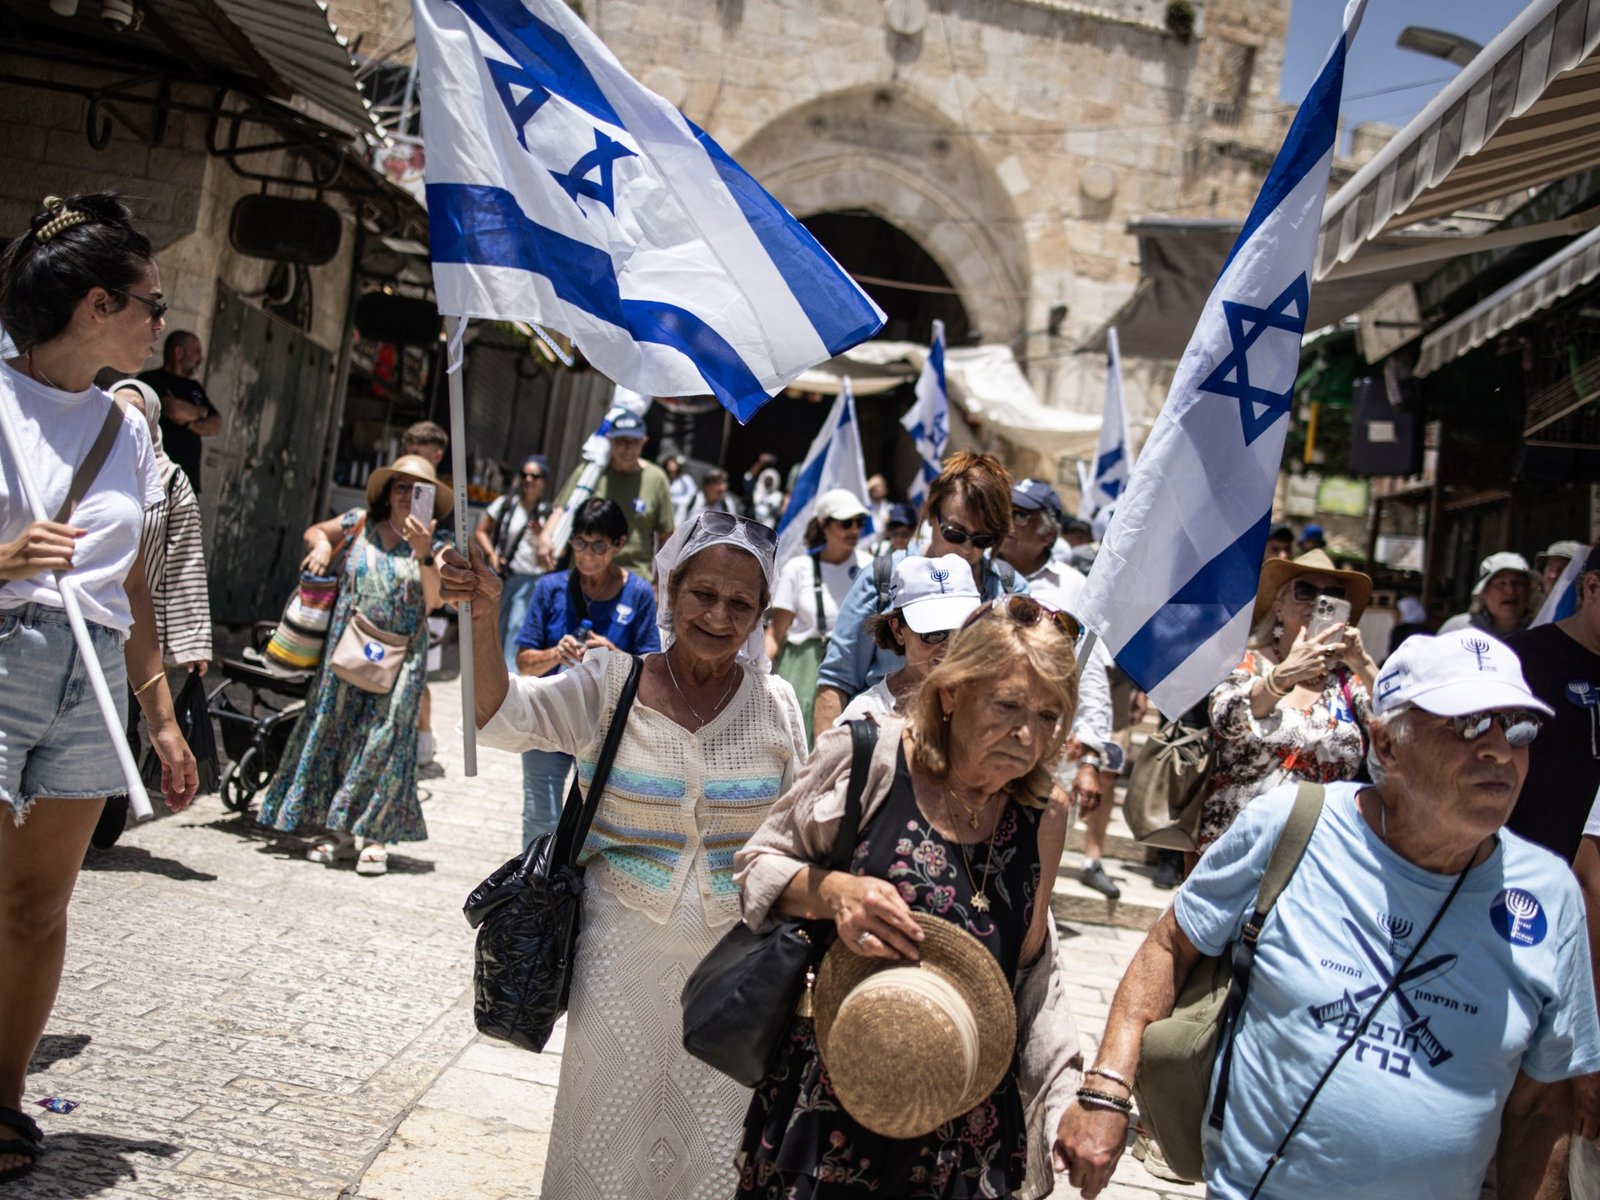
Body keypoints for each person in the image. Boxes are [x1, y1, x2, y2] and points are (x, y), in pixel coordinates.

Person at [1057, 629, 1600, 1200]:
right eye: (1466, 724)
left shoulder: (1547, 897)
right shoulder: (1294, 824)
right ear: (1388, 746)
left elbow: (1541, 1107)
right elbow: (1169, 947)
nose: (1498, 750)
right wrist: (1107, 1089)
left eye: (1517, 726)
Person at [442, 508, 807, 1200]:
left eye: (741, 603)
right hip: (617, 975)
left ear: (761, 613)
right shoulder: (608, 684)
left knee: (712, 1163)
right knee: (601, 1156)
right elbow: (498, 716)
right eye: (704, 594)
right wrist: (484, 618)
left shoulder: (777, 706)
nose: (720, 616)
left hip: (734, 989)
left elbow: (797, 839)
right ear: (670, 592)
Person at [734, 594, 1086, 1199]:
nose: (1027, 734)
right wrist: (835, 892)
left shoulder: (1043, 812)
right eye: (1007, 706)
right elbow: (756, 867)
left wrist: (1068, 1103)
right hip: (834, 1100)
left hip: (963, 1128)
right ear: (952, 693)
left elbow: (1033, 971)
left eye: (1049, 716)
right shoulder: (867, 757)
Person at [0, 191, 199, 1185]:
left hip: (90, 676)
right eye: (150, 306)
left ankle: (1, 1103)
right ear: (94, 307)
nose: (158, 323)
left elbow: (129, 583)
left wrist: (159, 717)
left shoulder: (127, 433)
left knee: (39, 904)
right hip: (3, 653)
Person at [257, 454, 447, 877]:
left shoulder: (438, 543)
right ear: (386, 491)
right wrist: (323, 545)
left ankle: (375, 834)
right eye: (400, 486)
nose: (406, 497)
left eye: (418, 491)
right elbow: (313, 532)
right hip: (346, 648)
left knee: (384, 741)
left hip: (402, 659)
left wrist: (424, 553)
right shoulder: (358, 523)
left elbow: (434, 600)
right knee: (335, 730)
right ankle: (339, 833)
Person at [813, 452, 1030, 729]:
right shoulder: (881, 579)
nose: (966, 548)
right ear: (930, 515)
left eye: (982, 539)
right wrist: (830, 764)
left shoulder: (1011, 593)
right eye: (954, 532)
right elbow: (836, 680)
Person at [93, 378, 214, 848]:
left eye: (136, 417)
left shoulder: (169, 479)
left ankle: (105, 813)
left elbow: (183, 564)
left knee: (122, 720)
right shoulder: (88, 460)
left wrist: (192, 643)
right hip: (77, 618)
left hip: (136, 627)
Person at [1202, 549, 1377, 852]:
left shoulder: (1349, 681)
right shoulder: (1248, 664)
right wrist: (1283, 676)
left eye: (1333, 594)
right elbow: (1226, 719)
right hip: (1236, 844)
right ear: (1279, 608)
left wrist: (1362, 662)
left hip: (1318, 850)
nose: (1318, 602)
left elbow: (1401, 725)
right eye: (1306, 591)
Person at [511, 497, 661, 848]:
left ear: (619, 544)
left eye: (598, 546)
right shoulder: (550, 588)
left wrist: (614, 655)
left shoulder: (638, 593)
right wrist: (554, 652)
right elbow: (523, 662)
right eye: (579, 543)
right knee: (540, 817)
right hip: (547, 719)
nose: (587, 554)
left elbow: (653, 668)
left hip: (604, 728)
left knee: (595, 825)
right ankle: (535, 894)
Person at [997, 479, 1119, 898]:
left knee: (1027, 859)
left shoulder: (1074, 588)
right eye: (1006, 510)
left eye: (1021, 515)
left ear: (1048, 532)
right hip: (979, 736)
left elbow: (1089, 674)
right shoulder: (981, 571)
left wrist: (1090, 757)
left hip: (1042, 748)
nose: (1008, 522)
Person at [767, 488, 872, 746]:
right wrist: (757, 677)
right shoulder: (798, 569)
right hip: (801, 669)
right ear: (823, 525)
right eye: (845, 523)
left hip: (853, 670)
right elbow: (776, 634)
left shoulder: (871, 567)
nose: (854, 530)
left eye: (859, 523)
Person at [835, 552, 980, 723]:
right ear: (897, 630)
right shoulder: (864, 718)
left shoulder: (992, 703)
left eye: (963, 631)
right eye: (934, 633)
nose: (950, 646)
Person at [547, 410, 674, 583]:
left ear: (644, 441)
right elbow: (561, 510)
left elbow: (666, 537)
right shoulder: (591, 473)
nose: (627, 447)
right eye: (621, 440)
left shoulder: (656, 479)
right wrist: (545, 537)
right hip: (585, 575)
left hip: (632, 578)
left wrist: (660, 584)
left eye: (633, 441)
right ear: (609, 439)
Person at [476, 455, 555, 670]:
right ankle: (490, 667)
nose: (528, 479)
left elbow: (554, 553)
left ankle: (509, 671)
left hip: (531, 578)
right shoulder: (505, 504)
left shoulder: (549, 513)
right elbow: (481, 531)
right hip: (502, 574)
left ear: (543, 481)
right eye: (524, 474)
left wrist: (543, 534)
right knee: (495, 623)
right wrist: (492, 555)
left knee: (516, 625)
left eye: (535, 475)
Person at [137, 329, 220, 495]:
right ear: (179, 352)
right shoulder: (151, 380)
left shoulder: (195, 388)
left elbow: (216, 423)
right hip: (155, 478)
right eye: (196, 352)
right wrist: (200, 414)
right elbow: (174, 411)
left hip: (187, 483)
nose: (200, 359)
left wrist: (192, 417)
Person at [1440, 552, 1537, 637]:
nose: (1510, 591)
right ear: (1484, 591)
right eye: (1501, 584)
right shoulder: (1458, 629)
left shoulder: (1538, 632)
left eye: (1517, 583)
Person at [664, 453, 697, 525]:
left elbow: (692, 494)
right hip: (666, 509)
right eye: (670, 464)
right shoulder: (664, 478)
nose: (671, 466)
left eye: (673, 464)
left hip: (681, 510)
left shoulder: (686, 479)